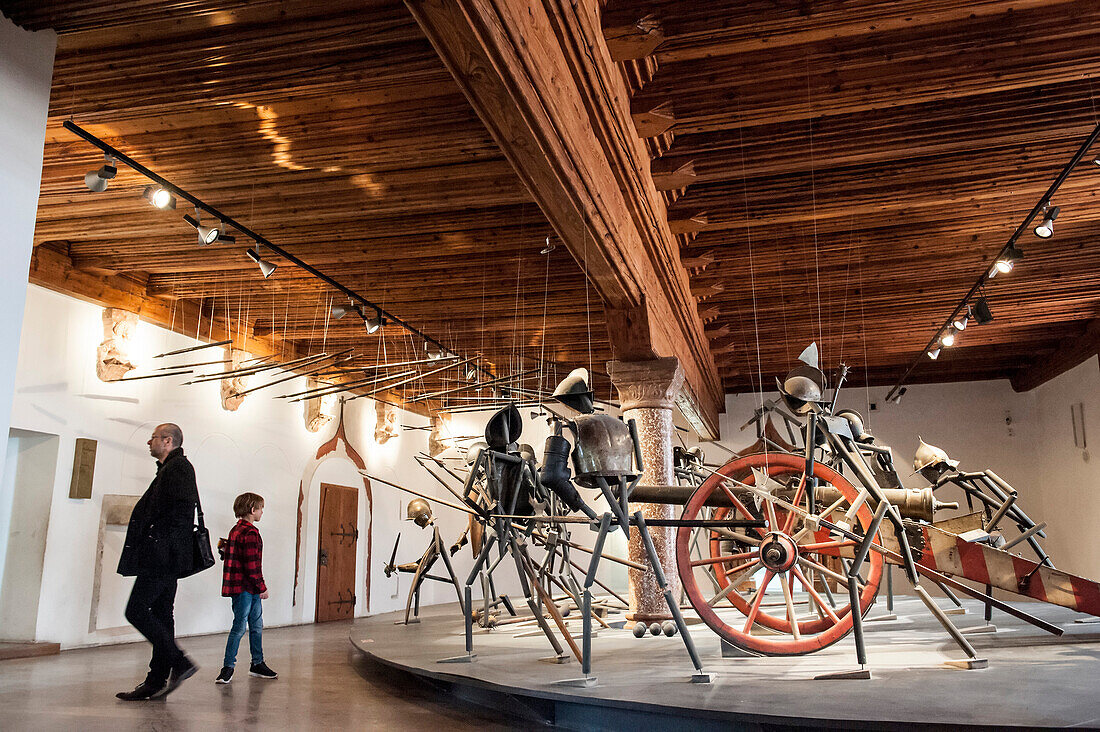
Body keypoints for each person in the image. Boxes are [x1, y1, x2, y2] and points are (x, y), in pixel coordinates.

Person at [116, 423, 200, 701]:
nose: (148, 442)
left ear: (167, 441)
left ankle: (180, 660)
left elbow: (177, 517)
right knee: (163, 614)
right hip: (166, 555)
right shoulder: (171, 468)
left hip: (163, 557)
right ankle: (156, 680)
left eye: (152, 438)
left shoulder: (178, 469)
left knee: (136, 610)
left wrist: (157, 543)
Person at [216, 492, 277, 683]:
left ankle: (256, 664)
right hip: (247, 589)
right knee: (241, 627)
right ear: (252, 510)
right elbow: (252, 566)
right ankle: (228, 667)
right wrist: (262, 587)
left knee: (254, 625)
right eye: (260, 509)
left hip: (243, 589)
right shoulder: (250, 533)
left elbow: (231, 556)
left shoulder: (235, 530)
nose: (261, 512)